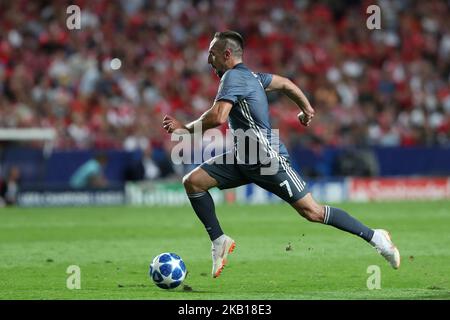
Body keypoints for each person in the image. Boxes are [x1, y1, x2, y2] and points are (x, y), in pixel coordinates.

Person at [162, 31, 400, 278]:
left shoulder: (233, 76)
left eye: (212, 54)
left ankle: (377, 237)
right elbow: (285, 83)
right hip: (243, 155)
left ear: (227, 54)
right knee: (193, 182)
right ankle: (219, 240)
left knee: (313, 212)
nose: (208, 60)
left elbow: (219, 116)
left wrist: (185, 129)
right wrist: (306, 109)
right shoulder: (252, 77)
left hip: (266, 157)